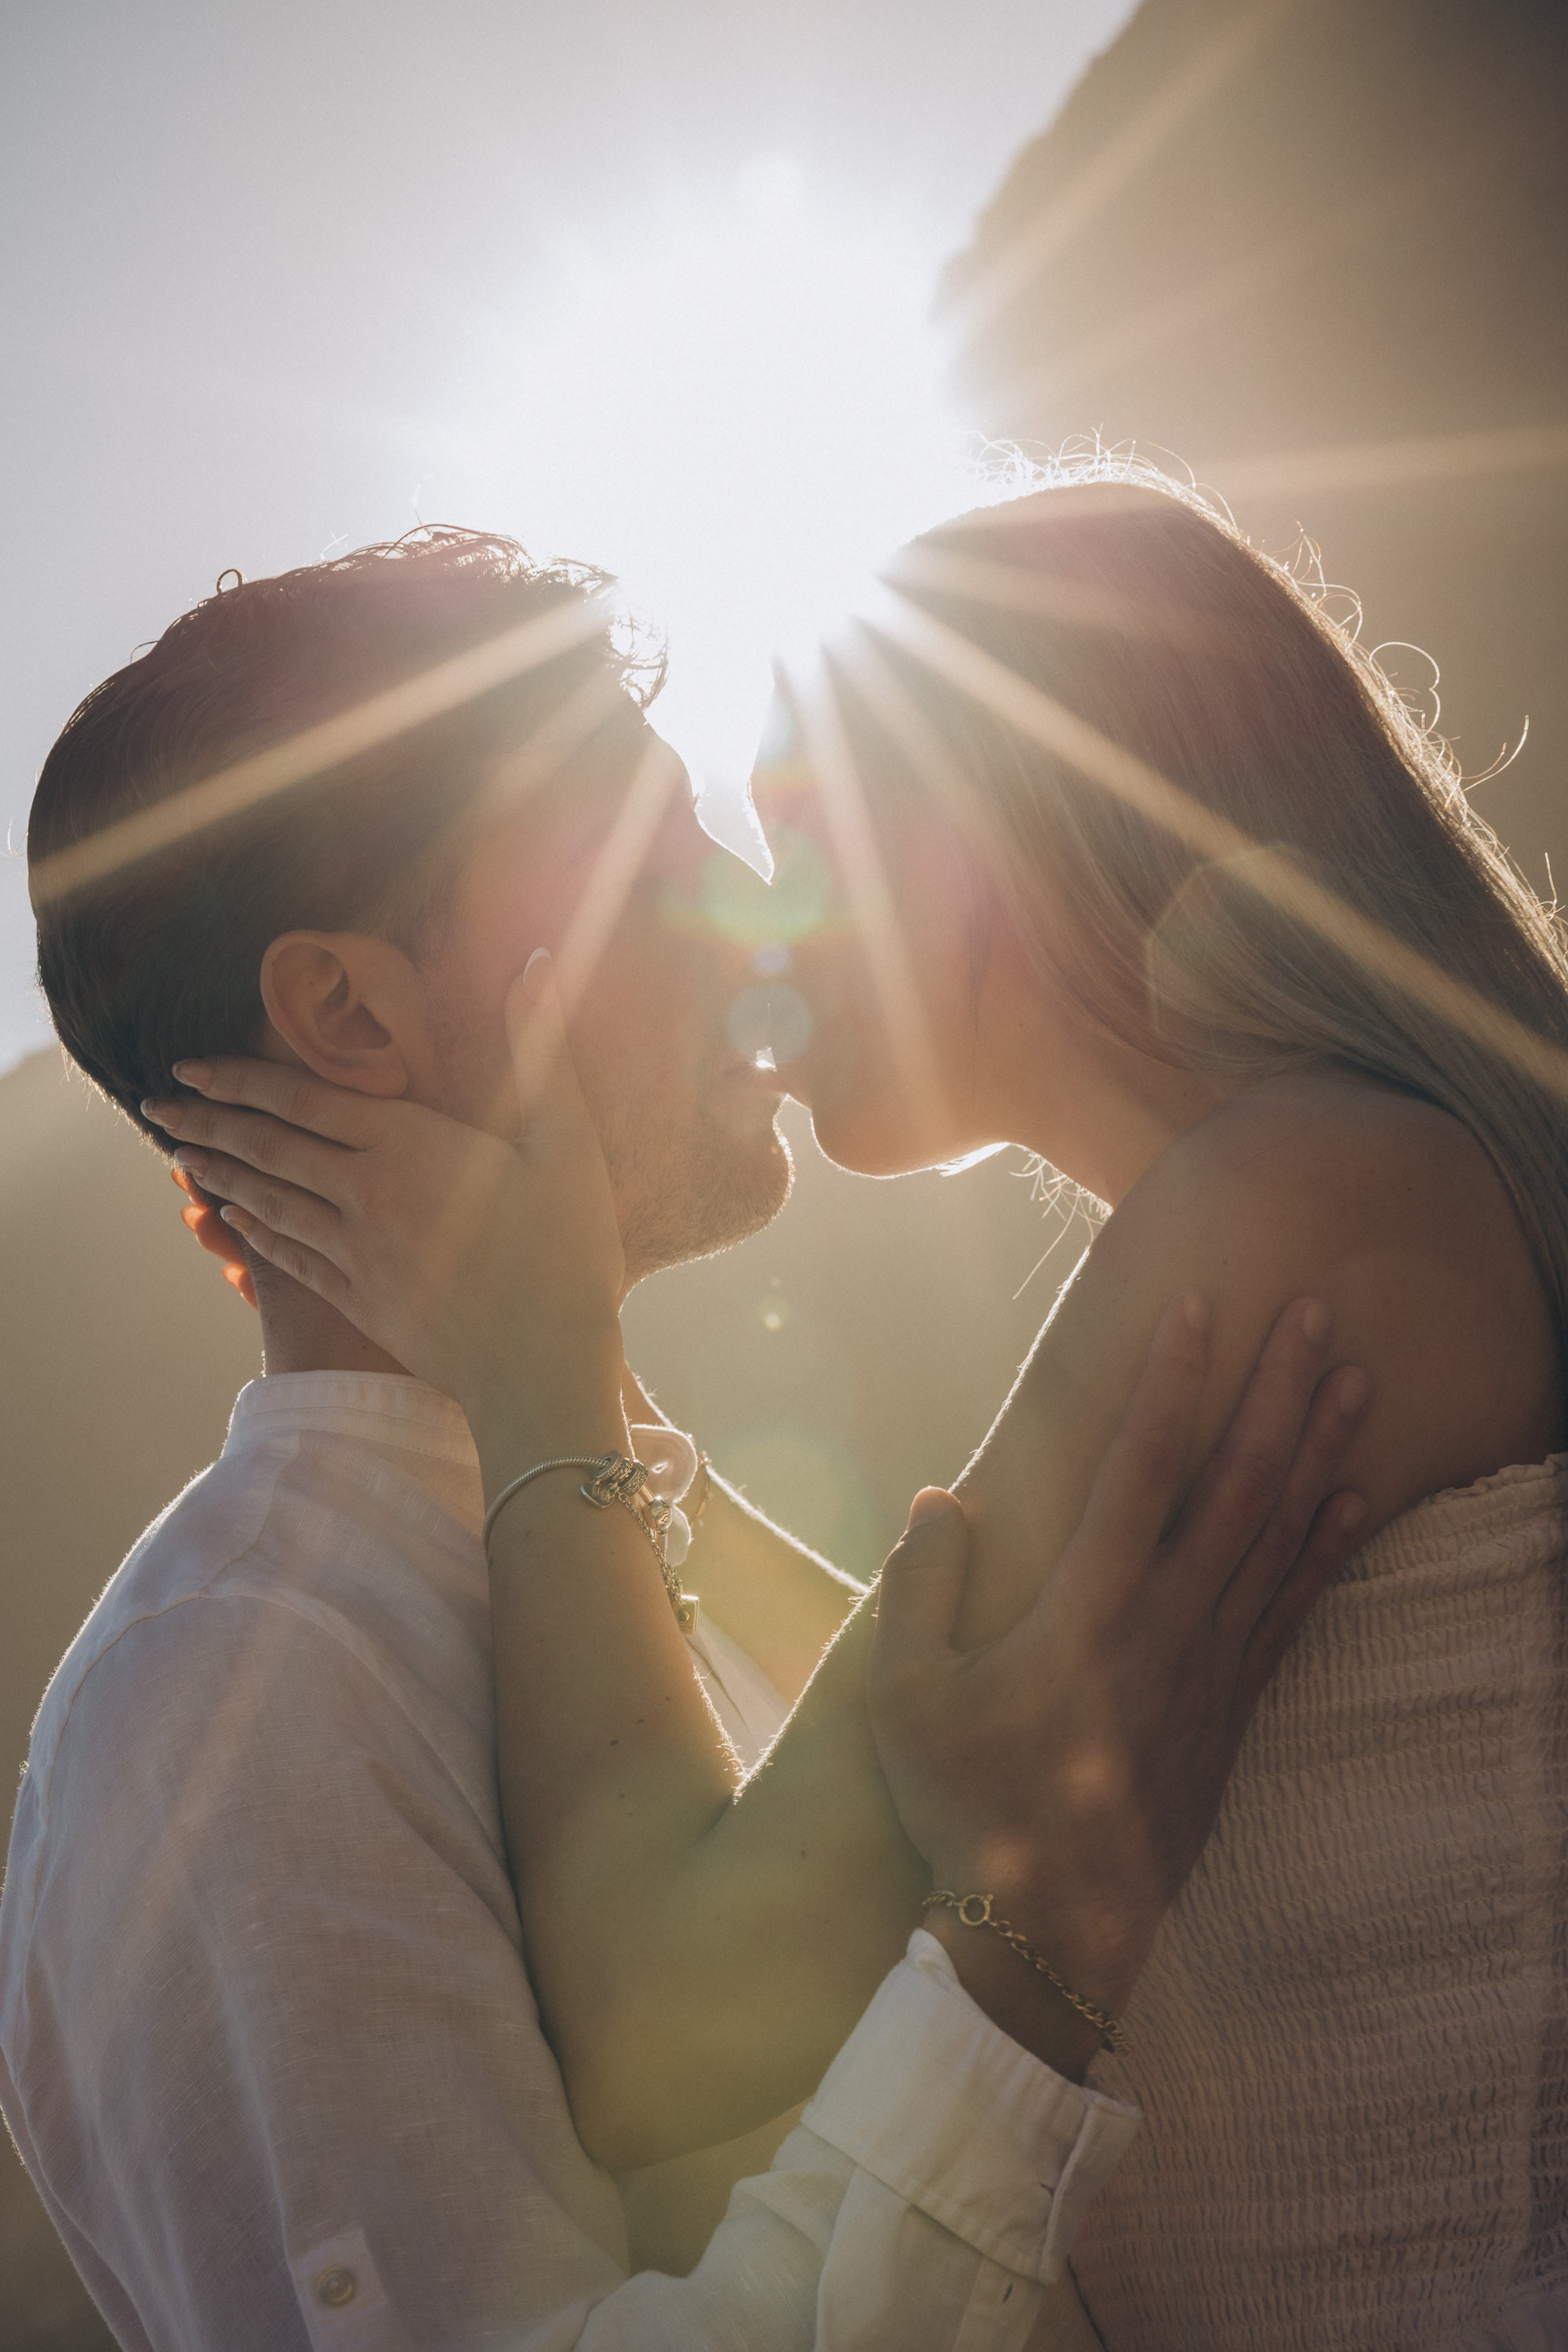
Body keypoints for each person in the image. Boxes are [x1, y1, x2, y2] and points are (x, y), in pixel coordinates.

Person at [152, 470, 1568, 2349]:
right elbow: (913, 1725)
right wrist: (607, 1400)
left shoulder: (1287, 1219)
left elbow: (667, 2026)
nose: (758, 927)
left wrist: (542, 1370)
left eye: (802, 835)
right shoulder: (1333, 1195)